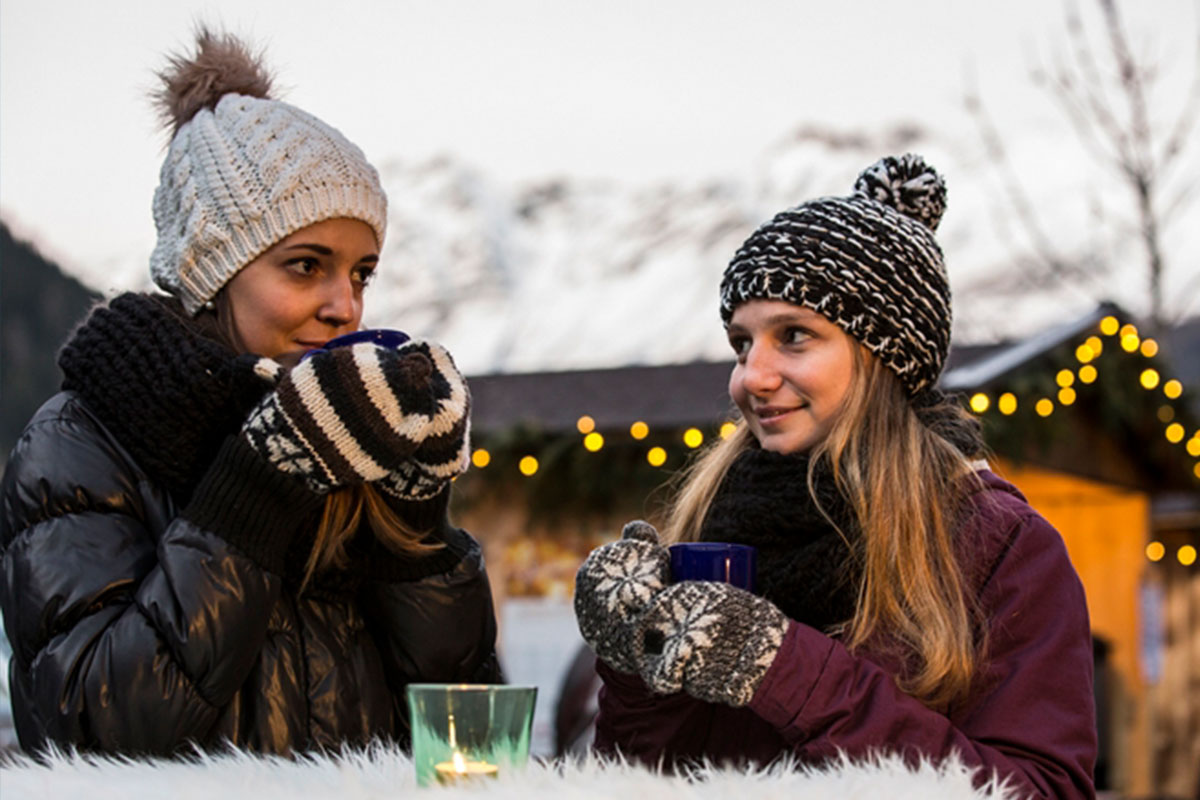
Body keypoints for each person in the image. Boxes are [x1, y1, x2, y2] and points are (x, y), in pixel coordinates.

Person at [0, 29, 499, 756]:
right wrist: (257, 488)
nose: (345, 307)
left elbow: (462, 727)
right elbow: (91, 730)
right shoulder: (81, 442)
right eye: (306, 266)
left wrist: (416, 530)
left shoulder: (347, 440)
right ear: (212, 272)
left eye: (361, 273)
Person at [574, 155, 1096, 798]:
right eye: (742, 343)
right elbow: (643, 780)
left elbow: (1041, 790)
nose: (749, 377)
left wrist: (789, 671)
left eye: (793, 335)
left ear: (884, 357)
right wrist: (635, 671)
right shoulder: (718, 524)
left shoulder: (999, 547)